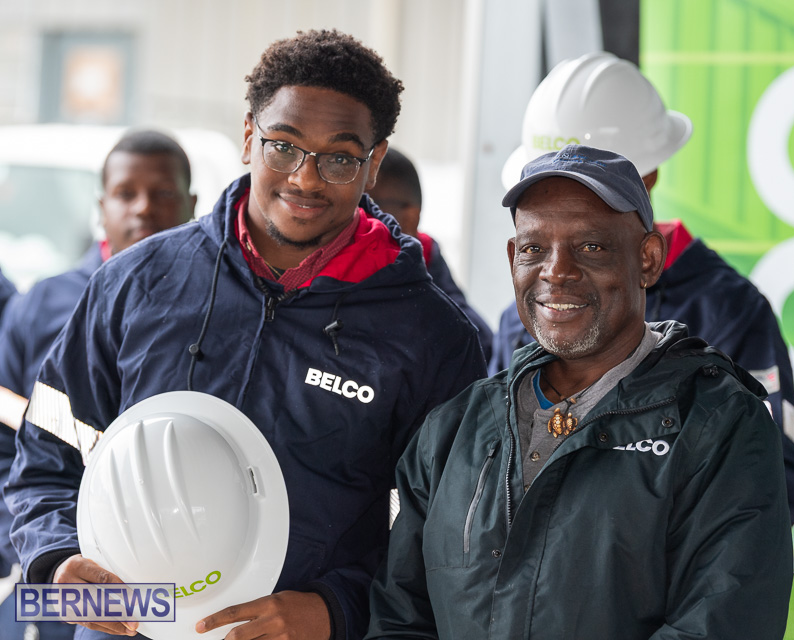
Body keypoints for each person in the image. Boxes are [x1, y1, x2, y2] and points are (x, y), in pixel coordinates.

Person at [5, 29, 487, 640]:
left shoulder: (431, 336)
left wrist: (338, 610)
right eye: (282, 146)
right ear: (247, 137)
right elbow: (47, 450)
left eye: (339, 157)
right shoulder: (133, 284)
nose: (306, 180)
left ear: (374, 163)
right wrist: (55, 565)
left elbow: (447, 536)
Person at [366, 145, 793, 639]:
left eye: (591, 247)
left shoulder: (720, 426)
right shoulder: (453, 429)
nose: (557, 270)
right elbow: (399, 619)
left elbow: (724, 623)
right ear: (513, 259)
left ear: (648, 259)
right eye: (533, 248)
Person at [490, 51, 794, 521]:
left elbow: (777, 473)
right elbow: (488, 464)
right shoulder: (524, 315)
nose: (558, 270)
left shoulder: (726, 310)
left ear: (647, 177)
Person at [0, 128, 196, 639]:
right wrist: (29, 545)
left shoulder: (212, 313)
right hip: (55, 560)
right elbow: (8, 433)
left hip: (165, 567)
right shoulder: (40, 306)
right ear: (100, 206)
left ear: (193, 205)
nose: (143, 209)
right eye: (126, 193)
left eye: (164, 193)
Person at [367, 147, 493, 361]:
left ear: (409, 219)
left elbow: (481, 346)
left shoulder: (429, 276)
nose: (352, 221)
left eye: (368, 206)